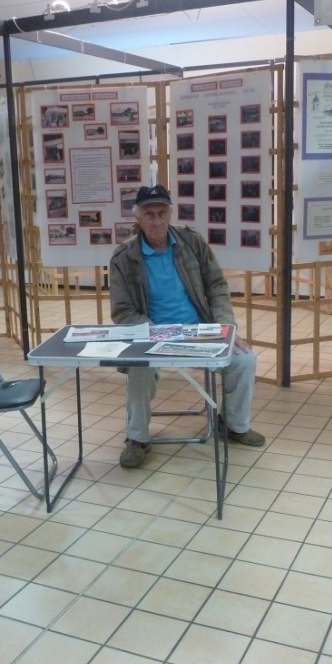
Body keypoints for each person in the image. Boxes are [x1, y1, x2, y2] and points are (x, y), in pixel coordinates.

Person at [109, 184, 265, 468]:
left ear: (170, 214)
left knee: (245, 360)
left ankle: (233, 425)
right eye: (149, 214)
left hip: (199, 331)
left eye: (161, 213)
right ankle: (137, 438)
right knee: (138, 370)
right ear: (138, 218)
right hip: (152, 334)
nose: (156, 221)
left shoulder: (192, 243)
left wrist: (225, 328)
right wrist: (153, 331)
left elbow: (217, 287)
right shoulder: (124, 259)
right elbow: (123, 311)